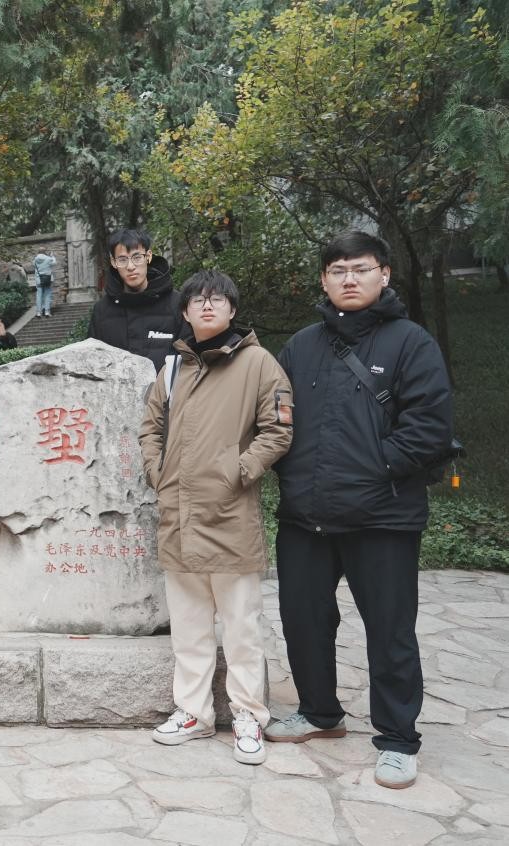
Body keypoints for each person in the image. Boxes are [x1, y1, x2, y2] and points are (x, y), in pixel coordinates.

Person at [265, 231, 454, 790]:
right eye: (338, 270)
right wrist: (291, 473)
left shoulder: (411, 343)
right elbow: (274, 418)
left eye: (361, 269)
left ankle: (397, 738)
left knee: (390, 630)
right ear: (324, 280)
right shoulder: (301, 346)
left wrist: (372, 470)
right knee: (303, 619)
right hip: (306, 516)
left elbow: (429, 428)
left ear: (384, 274)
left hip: (383, 516)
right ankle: (320, 712)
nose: (349, 279)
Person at [139, 270, 293, 766]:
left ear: (232, 309)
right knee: (188, 627)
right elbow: (150, 428)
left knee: (241, 627)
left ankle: (248, 714)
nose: (207, 306)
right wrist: (158, 472)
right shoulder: (172, 369)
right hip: (177, 514)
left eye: (218, 299)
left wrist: (237, 472)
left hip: (229, 514)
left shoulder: (259, 363)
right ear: (184, 311)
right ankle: (194, 712)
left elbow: (278, 431)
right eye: (198, 300)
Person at [89, 229, 182, 371]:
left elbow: (190, 363)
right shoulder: (102, 311)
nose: (130, 267)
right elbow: (92, 363)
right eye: (122, 260)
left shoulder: (176, 304)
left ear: (148, 256)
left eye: (137, 257)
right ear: (113, 262)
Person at [33, 251, 57, 317]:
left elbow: (34, 265)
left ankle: (38, 312)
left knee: (39, 296)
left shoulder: (35, 260)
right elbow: (54, 263)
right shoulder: (48, 259)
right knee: (47, 295)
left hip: (38, 280)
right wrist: (52, 256)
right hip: (47, 279)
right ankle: (47, 312)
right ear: (45, 252)